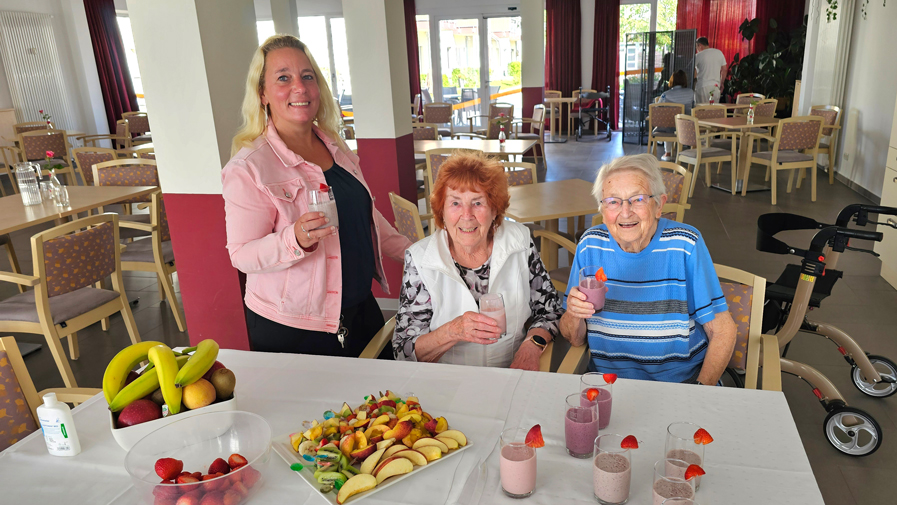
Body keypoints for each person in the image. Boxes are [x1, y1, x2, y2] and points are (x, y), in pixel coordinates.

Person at [222, 35, 411, 356]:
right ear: (262, 93)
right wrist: (293, 239)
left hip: (361, 309)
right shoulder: (249, 167)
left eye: (307, 76)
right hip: (295, 328)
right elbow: (241, 255)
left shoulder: (336, 147)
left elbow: (366, 218)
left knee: (377, 403)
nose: (300, 87)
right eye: (284, 78)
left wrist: (423, 254)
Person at [559, 154, 736, 384]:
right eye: (613, 201)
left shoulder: (685, 244)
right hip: (609, 384)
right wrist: (574, 313)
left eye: (638, 199)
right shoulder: (590, 245)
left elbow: (723, 330)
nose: (625, 212)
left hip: (681, 384)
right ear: (602, 209)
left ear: (659, 205)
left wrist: (698, 393)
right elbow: (575, 338)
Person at [392, 152, 563, 369]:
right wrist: (452, 331)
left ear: (494, 209)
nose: (466, 215)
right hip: (447, 384)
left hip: (512, 373)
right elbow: (403, 350)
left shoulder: (520, 242)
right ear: (441, 211)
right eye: (455, 203)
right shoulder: (420, 259)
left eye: (477, 203)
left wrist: (532, 346)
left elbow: (549, 310)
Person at [656, 70, 694, 161]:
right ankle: (691, 152)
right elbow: (695, 107)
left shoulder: (666, 95)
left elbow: (657, 109)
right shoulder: (691, 93)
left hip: (670, 127)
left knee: (667, 121)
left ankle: (667, 152)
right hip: (687, 127)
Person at [694, 37, 727, 104]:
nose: (697, 50)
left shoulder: (698, 56)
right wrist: (722, 82)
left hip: (702, 87)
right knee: (713, 110)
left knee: (701, 110)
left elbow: (693, 70)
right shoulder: (719, 53)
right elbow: (724, 69)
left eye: (696, 47)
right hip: (715, 86)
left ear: (699, 45)